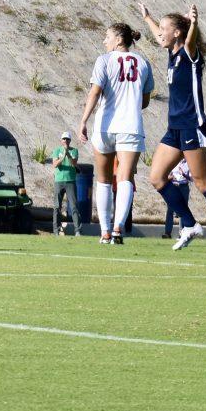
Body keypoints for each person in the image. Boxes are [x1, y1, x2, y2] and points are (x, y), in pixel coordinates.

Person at [139, 3, 206, 253]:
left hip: (192, 126)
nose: (160, 33)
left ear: (178, 33)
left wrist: (194, 23)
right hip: (174, 127)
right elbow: (159, 35)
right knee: (157, 177)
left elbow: (190, 40)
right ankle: (190, 224)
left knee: (203, 182)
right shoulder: (172, 53)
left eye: (165, 29)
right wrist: (148, 18)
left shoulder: (188, 53)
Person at [77, 22, 154, 244]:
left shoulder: (104, 60)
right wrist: (128, 104)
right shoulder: (143, 62)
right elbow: (145, 100)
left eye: (107, 36)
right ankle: (119, 227)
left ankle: (105, 230)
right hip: (131, 126)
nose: (104, 41)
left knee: (103, 179)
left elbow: (95, 92)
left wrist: (84, 120)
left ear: (119, 39)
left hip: (105, 126)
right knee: (125, 178)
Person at [50, 132, 81, 235]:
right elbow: (54, 164)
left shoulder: (74, 151)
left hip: (70, 181)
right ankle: (56, 230)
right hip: (59, 181)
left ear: (70, 141)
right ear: (61, 140)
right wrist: (62, 157)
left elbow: (74, 164)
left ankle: (77, 230)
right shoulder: (56, 151)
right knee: (57, 206)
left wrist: (67, 154)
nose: (65, 141)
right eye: (64, 139)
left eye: (67, 139)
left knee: (73, 206)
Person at [163, 158, 192, 238]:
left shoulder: (188, 162)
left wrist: (184, 174)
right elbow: (165, 174)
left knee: (183, 210)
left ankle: (182, 233)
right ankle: (167, 232)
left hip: (184, 187)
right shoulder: (172, 161)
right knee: (170, 209)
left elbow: (192, 178)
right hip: (173, 185)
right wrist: (169, 177)